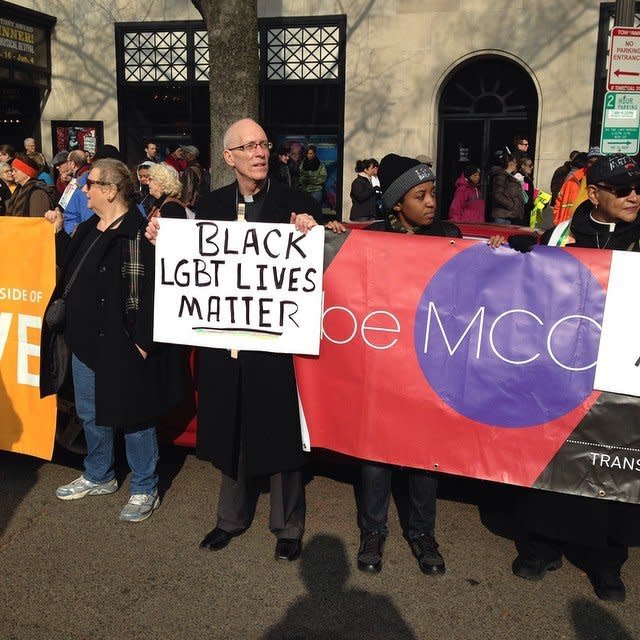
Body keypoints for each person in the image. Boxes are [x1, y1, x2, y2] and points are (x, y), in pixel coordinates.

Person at [146, 118, 342, 561]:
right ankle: (229, 519)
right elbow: (189, 260)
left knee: (282, 433)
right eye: (249, 146)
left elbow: (329, 257)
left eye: (264, 144)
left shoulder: (295, 203)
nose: (260, 152)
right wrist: (161, 238)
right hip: (225, 347)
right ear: (228, 156)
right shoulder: (211, 205)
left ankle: (288, 525)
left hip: (276, 347)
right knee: (231, 428)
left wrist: (315, 233)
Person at [509, 154, 640, 602]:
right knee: (552, 457)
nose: (633, 196)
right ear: (595, 193)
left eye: (638, 188)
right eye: (622, 189)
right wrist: (503, 252)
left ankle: (606, 560)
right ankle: (541, 545)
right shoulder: (559, 236)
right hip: (561, 370)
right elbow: (526, 288)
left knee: (611, 461)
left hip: (620, 374)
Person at [40, 159, 183, 522]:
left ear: (110, 190)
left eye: (91, 183)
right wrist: (58, 233)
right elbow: (70, 271)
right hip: (85, 341)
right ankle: (99, 473)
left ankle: (144, 487)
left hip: (125, 340)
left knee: (135, 415)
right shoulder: (89, 227)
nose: (83, 189)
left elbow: (157, 289)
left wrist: (144, 341)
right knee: (90, 412)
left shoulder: (141, 231)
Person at [356, 153, 460, 576]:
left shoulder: (449, 235)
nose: (431, 201)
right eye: (421, 195)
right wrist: (330, 235)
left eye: (433, 192)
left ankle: (422, 533)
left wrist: (496, 252)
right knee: (376, 453)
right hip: (382, 366)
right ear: (398, 204)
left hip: (428, 369)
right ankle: (373, 531)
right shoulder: (373, 238)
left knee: (423, 455)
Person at [488, 150, 523, 225]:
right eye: (516, 162)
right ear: (511, 163)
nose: (517, 165)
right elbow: (498, 194)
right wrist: (511, 206)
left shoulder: (510, 177)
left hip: (510, 215)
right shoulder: (501, 176)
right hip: (503, 216)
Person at [553, 151, 588, 225]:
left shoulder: (572, 177)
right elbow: (559, 200)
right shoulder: (571, 178)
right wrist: (557, 222)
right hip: (565, 225)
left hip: (567, 224)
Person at [179, 145, 209, 209]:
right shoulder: (199, 167)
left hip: (192, 205)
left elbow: (188, 189)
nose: (183, 155)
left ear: (189, 154)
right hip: (200, 202)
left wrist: (184, 204)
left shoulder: (190, 170)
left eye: (184, 153)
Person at [515, 156, 535, 226]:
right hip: (522, 212)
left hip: (527, 211)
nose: (532, 167)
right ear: (522, 166)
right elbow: (523, 194)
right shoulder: (519, 177)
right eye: (530, 165)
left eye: (532, 165)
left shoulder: (527, 178)